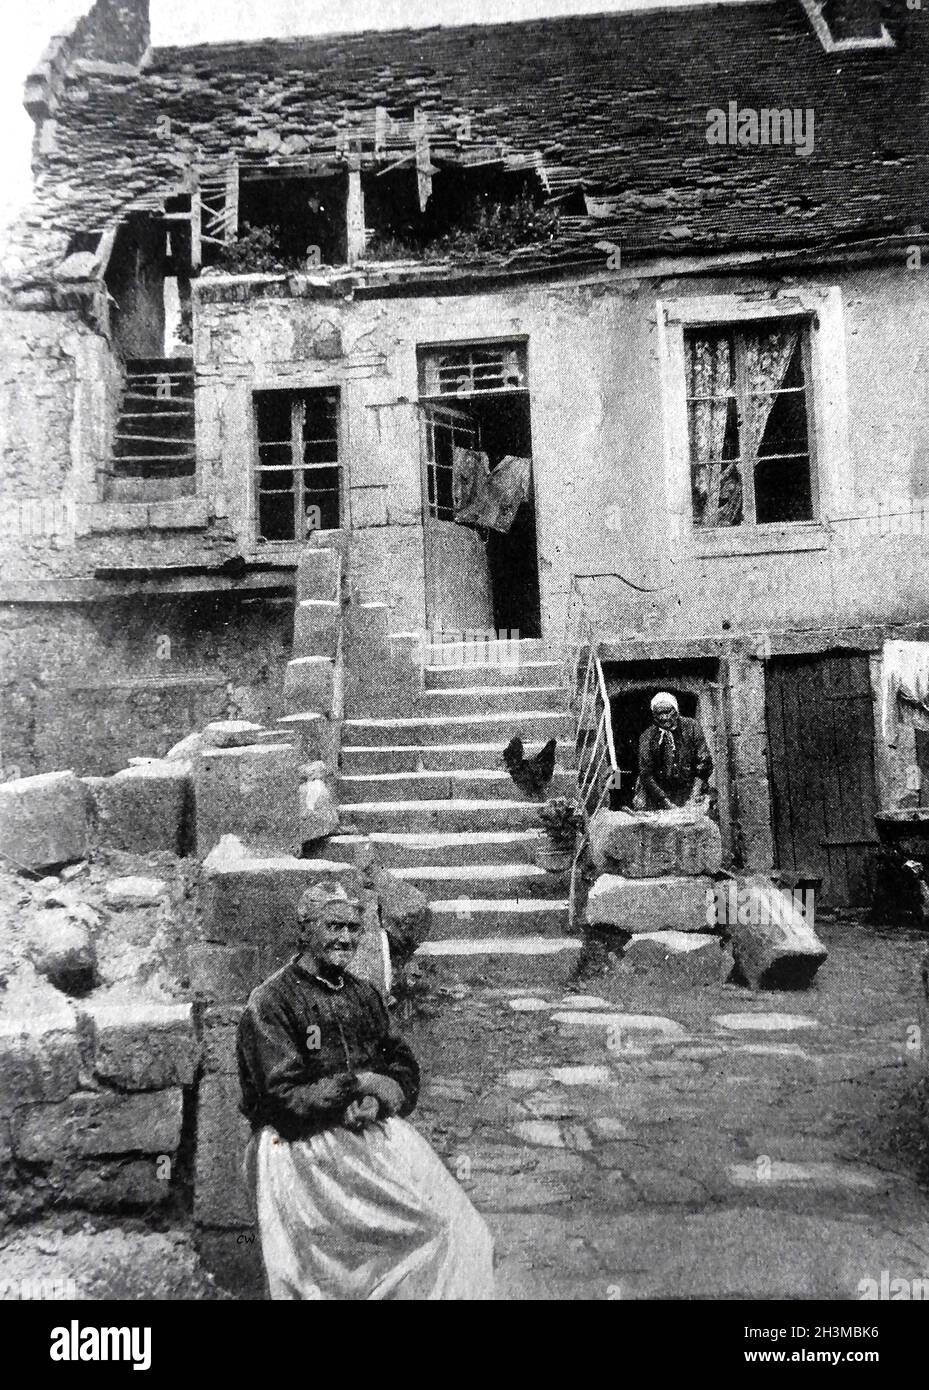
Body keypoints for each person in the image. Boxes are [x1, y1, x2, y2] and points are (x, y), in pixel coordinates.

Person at [236, 881, 494, 1300]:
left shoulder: (364, 994)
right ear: (305, 931)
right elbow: (280, 1100)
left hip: (371, 1134)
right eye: (333, 926)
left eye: (354, 929)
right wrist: (354, 1086)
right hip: (302, 1150)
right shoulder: (271, 1002)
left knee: (458, 1230)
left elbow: (402, 1067)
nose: (345, 939)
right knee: (335, 1276)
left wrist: (377, 1097)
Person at [635, 691, 713, 810]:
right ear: (653, 715)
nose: (664, 717)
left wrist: (695, 793)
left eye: (667, 712)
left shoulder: (691, 727)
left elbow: (704, 762)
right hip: (659, 796)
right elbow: (646, 774)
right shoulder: (647, 737)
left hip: (691, 791)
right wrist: (665, 802)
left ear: (676, 711)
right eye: (659, 713)